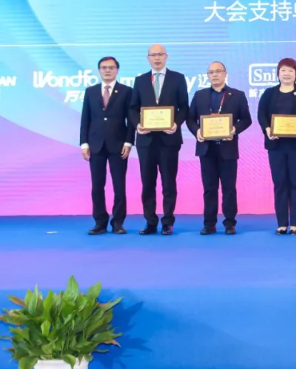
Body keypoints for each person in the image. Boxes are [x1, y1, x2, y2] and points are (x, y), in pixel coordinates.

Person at [129, 44, 189, 236]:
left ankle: (168, 222)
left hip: (169, 140)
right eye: (153, 55)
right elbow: (132, 108)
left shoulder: (178, 78)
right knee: (147, 183)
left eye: (160, 54)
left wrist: (176, 124)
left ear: (166, 57)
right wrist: (138, 124)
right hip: (146, 140)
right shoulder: (140, 80)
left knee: (168, 183)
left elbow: (184, 107)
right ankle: (150, 222)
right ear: (148, 58)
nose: (157, 58)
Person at [186, 62, 252, 235]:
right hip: (206, 149)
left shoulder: (237, 95)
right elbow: (190, 119)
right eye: (211, 72)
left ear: (225, 74)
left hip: (228, 148)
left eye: (218, 71)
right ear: (207, 76)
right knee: (209, 188)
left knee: (229, 188)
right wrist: (197, 131)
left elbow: (246, 119)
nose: (214, 75)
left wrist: (234, 130)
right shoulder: (199, 95)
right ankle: (209, 224)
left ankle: (229, 223)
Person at [257, 58, 296, 235]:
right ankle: (282, 223)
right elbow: (261, 114)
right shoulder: (269, 93)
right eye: (283, 70)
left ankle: (295, 223)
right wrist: (267, 129)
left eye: (291, 70)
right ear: (278, 73)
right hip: (276, 146)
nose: (287, 74)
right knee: (280, 183)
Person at [80, 56, 134, 235]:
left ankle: (118, 222)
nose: (107, 70)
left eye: (111, 67)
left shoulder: (126, 91)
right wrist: (84, 143)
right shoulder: (91, 91)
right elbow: (85, 118)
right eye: (104, 67)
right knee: (97, 186)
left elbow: (131, 120)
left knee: (119, 186)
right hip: (95, 145)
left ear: (117, 70)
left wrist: (128, 141)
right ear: (99, 71)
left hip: (119, 145)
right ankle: (100, 222)